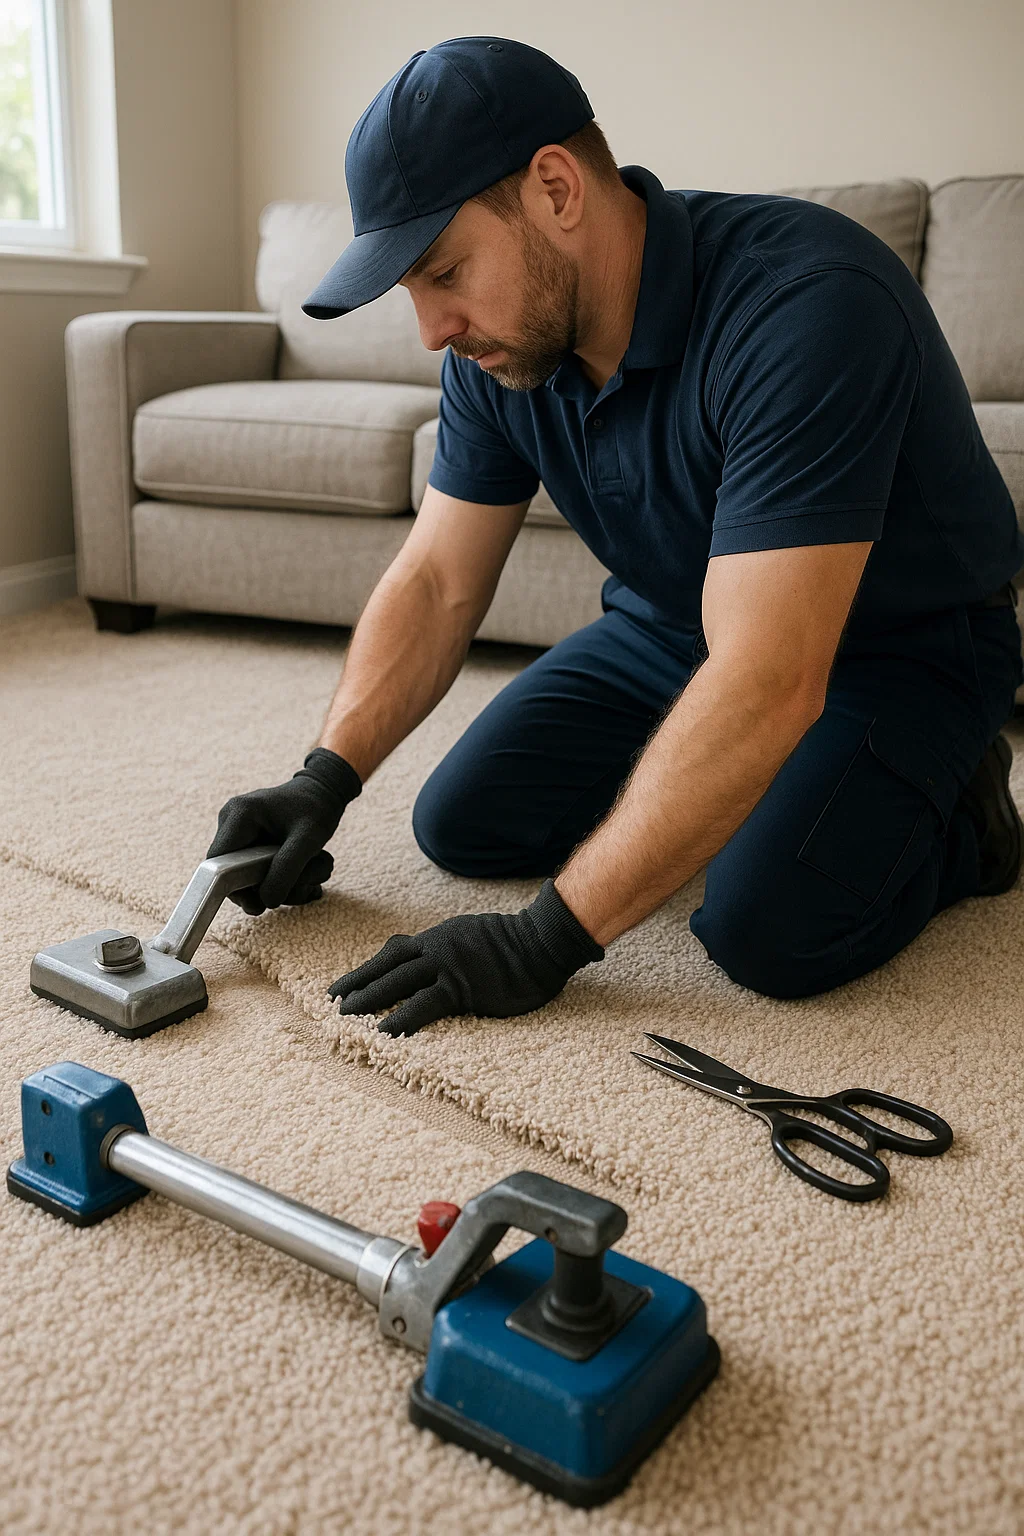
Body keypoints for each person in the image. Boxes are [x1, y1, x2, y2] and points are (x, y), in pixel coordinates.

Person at [207, 36, 1024, 1039]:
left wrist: (541, 942)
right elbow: (437, 580)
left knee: (765, 928)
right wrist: (321, 779)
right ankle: (741, 782)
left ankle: (965, 817)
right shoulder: (500, 355)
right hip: (673, 626)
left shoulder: (807, 305)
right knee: (464, 823)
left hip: (901, 647)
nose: (431, 330)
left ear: (556, 189)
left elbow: (770, 675)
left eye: (445, 271)